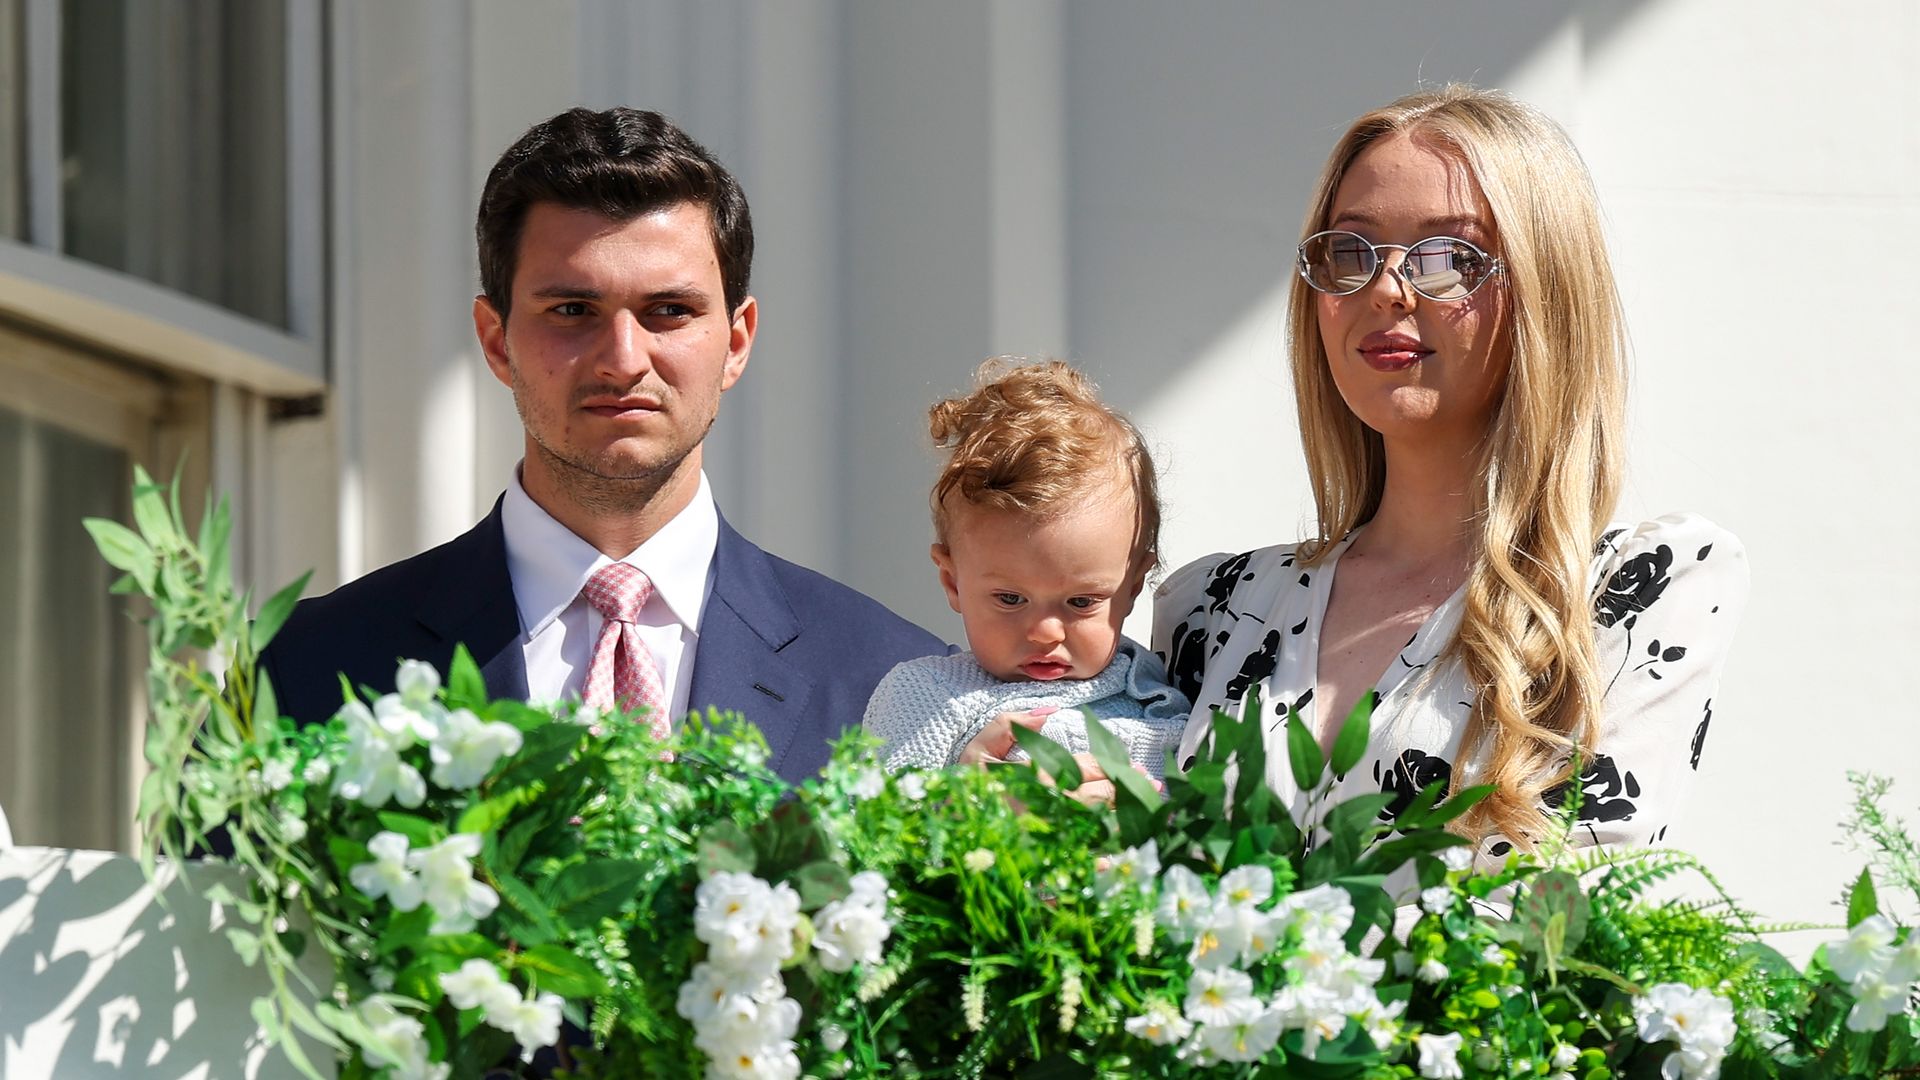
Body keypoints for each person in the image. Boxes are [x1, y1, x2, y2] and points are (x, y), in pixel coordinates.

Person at [971, 85, 1748, 856]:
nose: (1385, 288)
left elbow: (1567, 925)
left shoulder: (1638, 588)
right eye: (1350, 252)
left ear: (1546, 290)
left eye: (1450, 257)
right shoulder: (1212, 605)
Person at [263, 108, 944, 783]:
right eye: (572, 311)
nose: (623, 359)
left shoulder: (898, 685)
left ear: (736, 343)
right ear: (497, 341)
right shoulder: (308, 668)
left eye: (668, 311)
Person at [863, 360, 1189, 777]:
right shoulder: (927, 697)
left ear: (1134, 585)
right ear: (952, 581)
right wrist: (959, 810)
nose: (1046, 632)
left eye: (1081, 601)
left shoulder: (1162, 695)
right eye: (1011, 598)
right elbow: (870, 828)